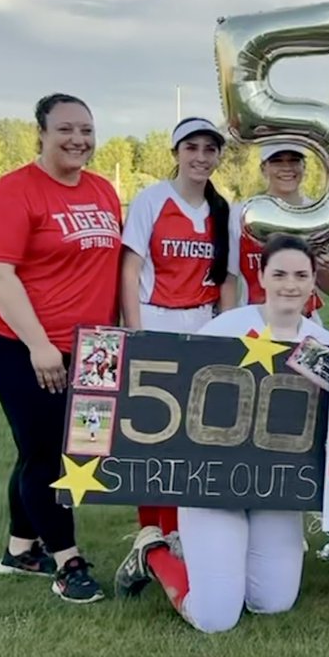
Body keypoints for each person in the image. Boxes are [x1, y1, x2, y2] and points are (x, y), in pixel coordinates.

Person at [112, 235, 329, 632]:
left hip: (278, 487)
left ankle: (232, 559)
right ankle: (153, 551)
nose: (291, 284)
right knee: (215, 618)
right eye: (280, 273)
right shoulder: (226, 327)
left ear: (313, 280)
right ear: (262, 276)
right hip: (214, 484)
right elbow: (179, 394)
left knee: (273, 604)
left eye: (301, 275)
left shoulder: (326, 344)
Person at [0, 93, 122, 603]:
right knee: (48, 455)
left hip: (94, 348)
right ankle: (68, 563)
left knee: (77, 449)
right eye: (65, 129)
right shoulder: (13, 192)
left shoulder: (103, 190)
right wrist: (40, 346)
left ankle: (20, 551)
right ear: (40, 132)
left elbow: (109, 270)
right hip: (21, 345)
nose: (78, 139)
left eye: (86, 128)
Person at [120, 117, 238, 548]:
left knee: (195, 432)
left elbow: (227, 280)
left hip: (204, 322)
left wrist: (226, 333)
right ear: (176, 153)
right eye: (192, 148)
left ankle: (186, 527)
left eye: (210, 149)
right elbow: (130, 269)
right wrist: (135, 332)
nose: (201, 157)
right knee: (153, 428)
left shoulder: (223, 210)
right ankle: (152, 528)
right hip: (157, 318)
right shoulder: (152, 200)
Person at [234, 144, 329, 324]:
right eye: (277, 161)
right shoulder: (241, 214)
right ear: (264, 168)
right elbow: (227, 279)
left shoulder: (324, 216)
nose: (287, 168)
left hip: (305, 325)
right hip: (253, 325)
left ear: (304, 166)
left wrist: (317, 266)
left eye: (294, 160)